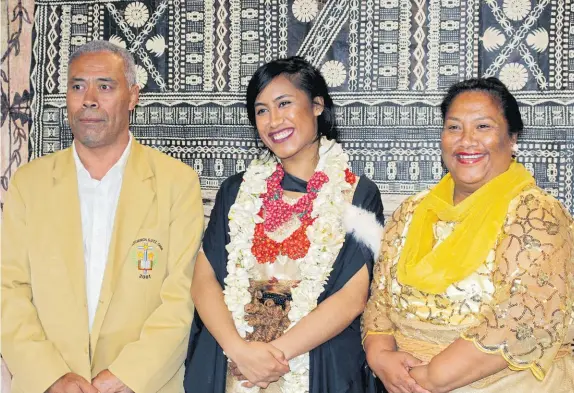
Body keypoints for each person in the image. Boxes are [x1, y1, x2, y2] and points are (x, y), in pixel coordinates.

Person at [1, 40, 204, 393]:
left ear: (133, 96)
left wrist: (127, 376)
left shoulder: (176, 182)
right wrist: (52, 376)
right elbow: (8, 289)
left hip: (145, 385)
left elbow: (184, 294)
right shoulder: (29, 184)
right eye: (78, 86)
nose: (89, 99)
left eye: (105, 86)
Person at [184, 56, 385, 393]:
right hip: (233, 363)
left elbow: (353, 297)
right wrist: (239, 351)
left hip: (317, 364)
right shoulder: (236, 191)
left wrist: (275, 356)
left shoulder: (358, 194)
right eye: (261, 110)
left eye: (284, 104)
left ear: (317, 105)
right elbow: (204, 280)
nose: (274, 120)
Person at [362, 77, 574, 393]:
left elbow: (524, 320)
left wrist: (427, 378)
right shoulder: (412, 211)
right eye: (454, 127)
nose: (466, 141)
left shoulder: (535, 213)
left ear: (512, 138)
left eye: (483, 127)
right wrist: (380, 356)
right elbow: (379, 300)